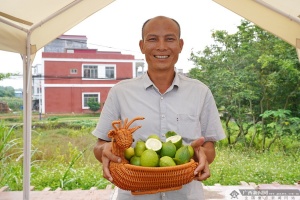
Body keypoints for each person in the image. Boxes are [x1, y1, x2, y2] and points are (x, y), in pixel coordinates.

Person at [92, 15, 226, 200]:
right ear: (142, 45)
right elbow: (99, 146)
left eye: (169, 39)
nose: (161, 47)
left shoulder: (200, 92)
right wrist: (106, 150)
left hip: (186, 195)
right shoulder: (120, 92)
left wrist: (199, 154)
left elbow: (209, 149)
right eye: (153, 39)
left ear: (180, 44)